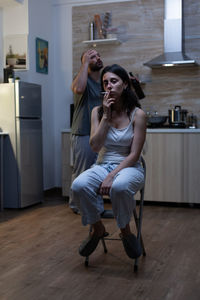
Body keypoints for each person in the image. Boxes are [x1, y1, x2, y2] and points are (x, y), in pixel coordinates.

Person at [71, 64, 147, 259]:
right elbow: (95, 147)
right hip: (102, 164)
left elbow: (134, 154)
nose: (109, 86)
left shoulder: (138, 114)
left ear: (125, 84)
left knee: (119, 187)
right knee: (78, 185)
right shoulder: (97, 111)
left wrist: (112, 176)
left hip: (130, 166)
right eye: (106, 82)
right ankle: (97, 228)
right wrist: (106, 115)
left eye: (114, 81)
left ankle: (126, 232)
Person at [69, 49, 104, 214]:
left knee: (95, 172)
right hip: (82, 132)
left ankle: (94, 207)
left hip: (99, 134)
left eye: (97, 55)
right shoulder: (82, 78)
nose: (96, 58)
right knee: (82, 171)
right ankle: (77, 206)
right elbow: (78, 89)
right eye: (92, 56)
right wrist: (84, 64)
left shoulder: (103, 82)